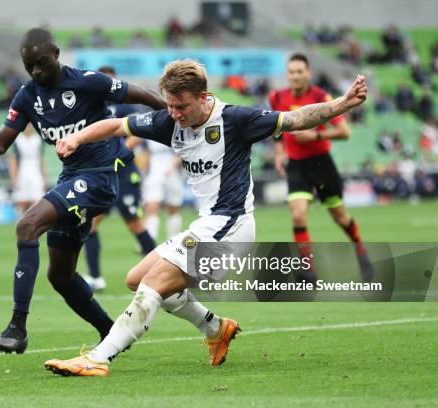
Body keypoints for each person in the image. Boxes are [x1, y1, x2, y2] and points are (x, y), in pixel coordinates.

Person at [44, 59, 368, 376]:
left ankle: (98, 358)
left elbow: (296, 119)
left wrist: (343, 103)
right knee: (135, 279)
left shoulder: (236, 119)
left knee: (153, 284)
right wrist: (76, 138)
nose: (175, 114)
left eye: (182, 106)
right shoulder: (169, 122)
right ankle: (215, 328)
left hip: (232, 228)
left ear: (202, 97)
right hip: (207, 224)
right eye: (170, 105)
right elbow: (116, 125)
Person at [0, 28, 166, 354]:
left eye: (41, 63)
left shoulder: (87, 81)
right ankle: (110, 333)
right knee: (61, 276)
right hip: (71, 180)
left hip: (97, 178)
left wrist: (170, 112)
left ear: (56, 54)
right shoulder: (27, 96)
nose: (36, 71)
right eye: (29, 66)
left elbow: (136, 93)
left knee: (26, 226)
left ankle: (17, 328)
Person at [270, 53, 372, 282]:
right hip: (296, 165)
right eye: (291, 72)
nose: (295, 76)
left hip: (321, 164)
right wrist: (279, 154)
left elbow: (345, 132)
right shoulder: (276, 97)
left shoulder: (320, 96)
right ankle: (309, 269)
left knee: (340, 218)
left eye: (299, 71)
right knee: (298, 215)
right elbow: (277, 130)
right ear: (287, 74)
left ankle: (361, 250)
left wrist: (316, 134)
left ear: (308, 73)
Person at [82, 66, 156, 291]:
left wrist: (117, 151)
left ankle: (159, 269)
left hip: (124, 174)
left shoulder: (126, 104)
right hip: (103, 175)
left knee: (134, 224)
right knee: (90, 224)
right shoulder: (94, 105)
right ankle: (95, 277)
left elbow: (138, 133)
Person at [8, 124, 46, 213]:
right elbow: (13, 160)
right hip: (22, 172)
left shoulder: (38, 140)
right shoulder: (17, 140)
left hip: (36, 173)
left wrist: (44, 177)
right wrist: (14, 178)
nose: (28, 128)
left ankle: (35, 222)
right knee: (21, 200)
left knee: (37, 200)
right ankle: (20, 221)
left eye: (30, 126)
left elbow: (41, 159)